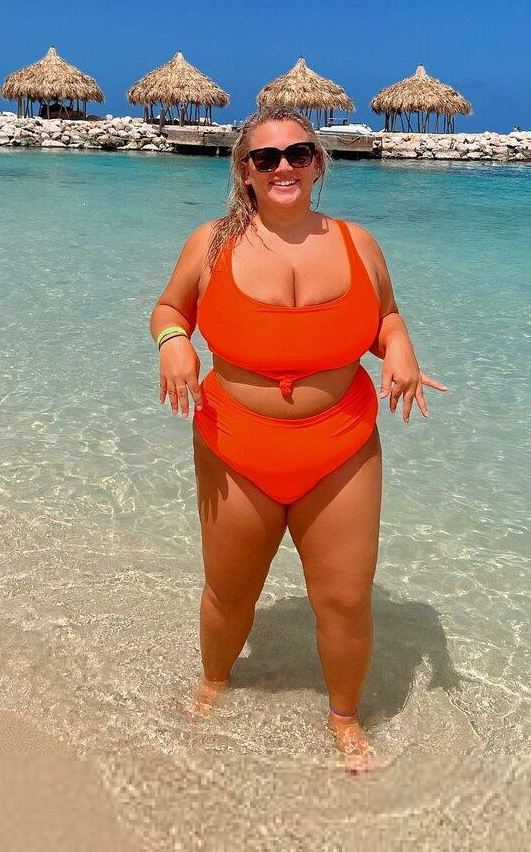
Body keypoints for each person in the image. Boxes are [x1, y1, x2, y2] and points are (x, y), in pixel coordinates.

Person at [149, 107, 446, 771]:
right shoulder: (211, 244)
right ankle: (214, 683)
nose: (283, 166)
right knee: (230, 593)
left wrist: (400, 346)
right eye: (266, 157)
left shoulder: (358, 243)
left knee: (345, 599)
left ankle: (345, 719)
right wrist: (172, 343)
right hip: (235, 444)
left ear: (317, 164)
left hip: (341, 446)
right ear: (245, 172)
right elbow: (169, 308)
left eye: (299, 153)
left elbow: (386, 316)